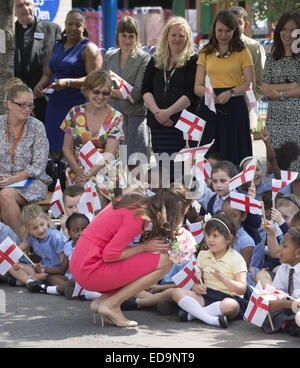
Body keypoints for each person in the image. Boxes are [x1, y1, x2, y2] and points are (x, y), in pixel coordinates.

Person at [69, 185, 193, 327]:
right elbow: (110, 255)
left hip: (80, 262)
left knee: (154, 257)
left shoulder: (133, 200)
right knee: (166, 261)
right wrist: (143, 247)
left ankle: (103, 301)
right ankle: (112, 304)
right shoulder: (140, 215)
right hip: (90, 268)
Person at [34, 9, 102, 155]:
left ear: (83, 27)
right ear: (65, 24)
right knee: (53, 150)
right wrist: (40, 85)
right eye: (70, 24)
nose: (73, 28)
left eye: (77, 25)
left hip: (77, 107)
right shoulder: (57, 46)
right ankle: (55, 176)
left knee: (75, 151)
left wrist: (69, 83)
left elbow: (95, 80)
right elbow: (47, 74)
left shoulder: (89, 49)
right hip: (54, 106)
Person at [142, 16, 199, 182]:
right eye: (173, 35)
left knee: (182, 173)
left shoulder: (193, 61)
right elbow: (146, 90)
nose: (177, 39)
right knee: (163, 172)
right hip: (158, 124)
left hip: (182, 125)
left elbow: (191, 94)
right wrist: (158, 112)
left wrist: (168, 113)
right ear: (166, 36)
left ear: (187, 38)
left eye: (181, 35)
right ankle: (166, 204)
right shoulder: (155, 60)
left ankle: (182, 206)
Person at [194, 10, 255, 166]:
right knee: (211, 154)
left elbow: (249, 83)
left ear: (234, 31)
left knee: (236, 153)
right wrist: (210, 94)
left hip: (235, 106)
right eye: (220, 30)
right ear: (214, 30)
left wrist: (231, 92)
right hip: (210, 107)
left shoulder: (243, 51)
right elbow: (197, 87)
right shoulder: (205, 52)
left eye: (228, 31)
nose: (223, 34)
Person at [60, 69, 124, 207]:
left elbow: (109, 154)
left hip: (104, 170)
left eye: (105, 93)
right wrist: (79, 172)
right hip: (76, 170)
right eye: (96, 91)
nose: (100, 96)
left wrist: (88, 174)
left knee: (96, 195)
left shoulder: (116, 117)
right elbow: (66, 148)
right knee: (77, 199)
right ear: (87, 91)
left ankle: (96, 227)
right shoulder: (74, 113)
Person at [0, 79, 51, 240]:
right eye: (22, 105)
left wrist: (13, 179)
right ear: (9, 104)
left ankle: (21, 247)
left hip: (32, 181)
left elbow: (38, 166)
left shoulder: (37, 127)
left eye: (30, 105)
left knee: (6, 195)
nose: (27, 109)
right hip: (2, 180)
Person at [101, 16, 151, 170]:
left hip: (133, 120)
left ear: (137, 37)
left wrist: (110, 92)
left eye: (131, 36)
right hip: (110, 118)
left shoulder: (145, 59)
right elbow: (100, 85)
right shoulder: (109, 56)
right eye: (124, 35)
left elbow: (135, 95)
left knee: (136, 168)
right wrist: (116, 93)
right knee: (110, 167)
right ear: (118, 36)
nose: (127, 40)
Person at [262, 11, 300, 174]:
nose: (288, 34)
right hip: (275, 120)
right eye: (284, 29)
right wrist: (293, 85)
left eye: (293, 30)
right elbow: (264, 87)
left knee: (297, 170)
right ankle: (280, 200)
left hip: (297, 120)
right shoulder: (272, 57)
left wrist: (279, 93)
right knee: (277, 168)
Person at [14, 0, 62, 123]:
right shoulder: (7, 33)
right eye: (20, 6)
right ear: (14, 11)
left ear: (34, 5)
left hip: (43, 98)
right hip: (16, 101)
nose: (25, 8)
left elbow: (59, 62)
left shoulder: (52, 29)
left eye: (28, 4)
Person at [8, 204, 68, 295]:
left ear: (46, 220)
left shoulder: (55, 237)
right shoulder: (31, 238)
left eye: (42, 224)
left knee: (48, 278)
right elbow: (16, 251)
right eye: (35, 228)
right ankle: (31, 282)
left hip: (56, 272)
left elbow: (64, 266)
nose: (40, 230)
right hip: (41, 269)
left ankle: (30, 280)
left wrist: (46, 272)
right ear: (28, 229)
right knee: (11, 265)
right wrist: (15, 261)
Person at [229, 6, 266, 130]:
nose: (234, 26)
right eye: (231, 22)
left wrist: (245, 103)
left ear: (246, 25)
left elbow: (261, 83)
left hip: (245, 114)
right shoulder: (214, 49)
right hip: (219, 114)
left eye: (239, 23)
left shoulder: (254, 48)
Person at [261, 227, 300, 336]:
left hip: (295, 308)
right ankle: (288, 324)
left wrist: (284, 304)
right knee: (265, 312)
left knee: (298, 317)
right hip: (289, 307)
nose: (280, 249)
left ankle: (287, 324)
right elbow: (276, 291)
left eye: (285, 246)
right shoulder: (284, 268)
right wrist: (268, 299)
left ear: (298, 253)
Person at [63, 213, 101, 300]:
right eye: (76, 231)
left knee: (71, 283)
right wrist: (46, 270)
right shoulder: (68, 246)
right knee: (53, 278)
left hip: (89, 277)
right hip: (73, 278)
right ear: (69, 233)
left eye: (84, 229)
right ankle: (82, 293)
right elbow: (63, 268)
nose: (81, 233)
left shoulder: (93, 245)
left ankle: (86, 294)